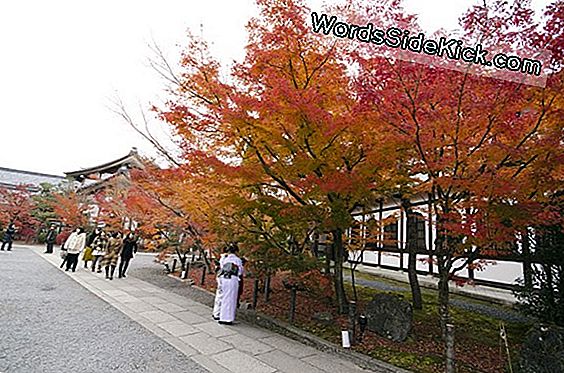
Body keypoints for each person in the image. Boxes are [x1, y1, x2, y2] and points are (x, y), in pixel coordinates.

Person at [217, 243, 244, 325]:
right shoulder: (237, 260)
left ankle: (222, 317)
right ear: (236, 251)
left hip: (224, 278)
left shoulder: (225, 259)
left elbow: (221, 267)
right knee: (231, 298)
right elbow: (240, 271)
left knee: (224, 297)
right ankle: (228, 318)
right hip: (233, 279)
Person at [212, 246, 229, 320]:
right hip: (223, 277)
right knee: (221, 296)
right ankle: (217, 313)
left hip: (220, 276)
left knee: (219, 295)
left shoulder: (222, 258)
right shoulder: (225, 258)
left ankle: (216, 312)